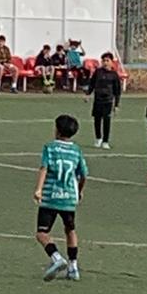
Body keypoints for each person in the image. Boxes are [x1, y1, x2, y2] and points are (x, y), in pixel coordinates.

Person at [33, 113, 88, 282]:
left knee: (42, 233)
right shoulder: (76, 150)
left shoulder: (50, 148)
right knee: (70, 230)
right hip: (69, 198)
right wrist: (79, 191)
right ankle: (73, 267)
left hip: (51, 196)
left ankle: (56, 258)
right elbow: (84, 174)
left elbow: (44, 168)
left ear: (57, 130)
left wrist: (39, 189)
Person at [86, 51, 122, 148]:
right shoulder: (98, 72)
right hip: (97, 100)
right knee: (97, 120)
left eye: (107, 60)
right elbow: (92, 83)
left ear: (111, 62)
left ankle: (105, 141)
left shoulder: (114, 75)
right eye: (103, 60)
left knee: (107, 121)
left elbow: (117, 91)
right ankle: (98, 138)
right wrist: (88, 94)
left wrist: (117, 105)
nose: (105, 62)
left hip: (108, 101)